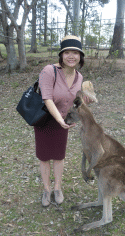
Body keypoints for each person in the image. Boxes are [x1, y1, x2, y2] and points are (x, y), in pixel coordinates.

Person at [34, 35, 91, 207]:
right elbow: (47, 98)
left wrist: (82, 102)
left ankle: (57, 187)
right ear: (61, 55)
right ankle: (46, 189)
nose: (71, 56)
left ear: (80, 56)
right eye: (67, 52)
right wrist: (59, 119)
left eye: (76, 52)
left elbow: (73, 99)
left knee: (59, 156)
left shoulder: (79, 77)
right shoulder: (48, 71)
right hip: (45, 120)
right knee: (44, 157)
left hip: (63, 121)